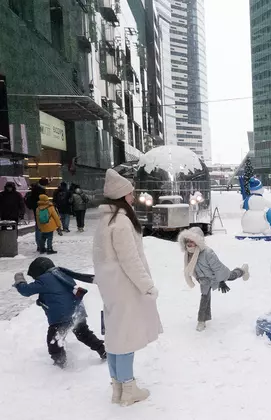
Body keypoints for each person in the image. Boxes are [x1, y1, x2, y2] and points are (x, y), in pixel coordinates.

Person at [92, 169, 162, 407]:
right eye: (131, 193)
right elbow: (130, 260)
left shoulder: (106, 220)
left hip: (111, 287)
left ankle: (118, 388)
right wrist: (147, 286)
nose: (133, 196)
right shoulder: (121, 221)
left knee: (115, 336)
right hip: (125, 287)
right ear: (122, 195)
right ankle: (128, 389)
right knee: (126, 339)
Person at [13, 257, 106, 368]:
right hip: (77, 312)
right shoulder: (61, 274)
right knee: (84, 334)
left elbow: (25, 290)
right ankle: (103, 350)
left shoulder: (44, 279)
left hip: (61, 318)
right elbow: (60, 294)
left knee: (54, 342)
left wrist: (19, 279)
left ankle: (60, 364)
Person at [177, 227, 250, 332]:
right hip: (205, 280)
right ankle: (202, 321)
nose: (189, 243)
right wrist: (199, 278)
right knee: (205, 297)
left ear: (198, 241)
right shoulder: (188, 254)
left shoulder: (207, 253)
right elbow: (192, 269)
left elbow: (218, 268)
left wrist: (221, 281)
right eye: (187, 241)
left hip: (217, 275)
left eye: (192, 241)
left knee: (232, 276)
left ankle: (243, 270)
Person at [25, 178, 49, 252]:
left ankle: (39, 245)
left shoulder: (35, 188)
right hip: (40, 209)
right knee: (40, 227)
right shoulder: (40, 190)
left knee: (38, 227)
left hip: (36, 209)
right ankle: (40, 245)